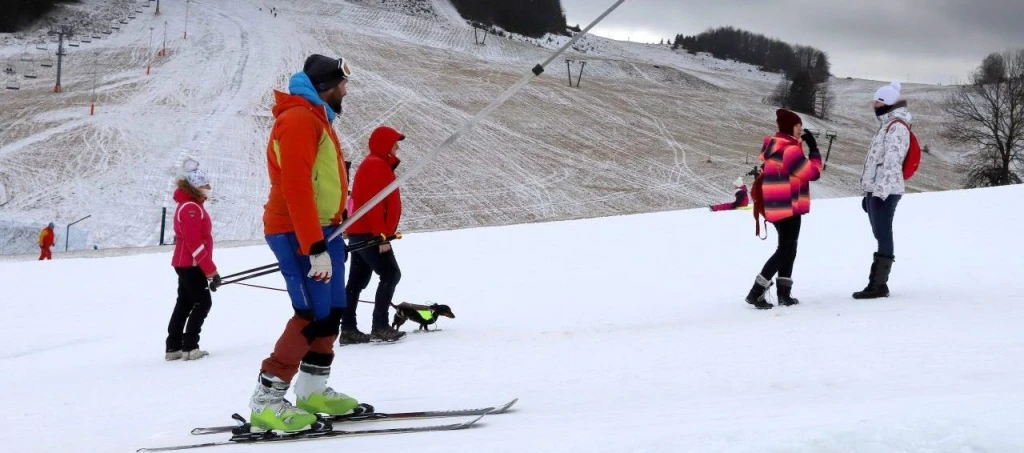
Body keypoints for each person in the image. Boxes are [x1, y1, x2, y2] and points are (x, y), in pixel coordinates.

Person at [249, 53, 360, 433]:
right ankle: (266, 401)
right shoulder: (298, 119)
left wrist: (335, 225)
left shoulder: (317, 118)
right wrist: (314, 246)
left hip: (324, 229)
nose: (346, 89)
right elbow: (296, 186)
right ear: (326, 86)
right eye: (342, 83)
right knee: (310, 313)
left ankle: (312, 391)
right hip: (296, 231)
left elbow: (320, 181)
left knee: (332, 311)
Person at [745, 109, 822, 309]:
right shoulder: (789, 150)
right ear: (789, 127)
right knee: (786, 250)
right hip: (788, 205)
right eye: (798, 125)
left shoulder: (776, 145)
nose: (801, 129)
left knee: (789, 249)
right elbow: (813, 173)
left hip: (776, 204)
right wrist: (814, 149)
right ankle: (756, 292)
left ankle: (784, 295)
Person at [339, 126, 407, 344]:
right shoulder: (376, 166)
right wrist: (381, 236)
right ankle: (380, 326)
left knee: (357, 281)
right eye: (394, 142)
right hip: (370, 232)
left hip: (362, 231)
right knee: (390, 274)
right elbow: (373, 204)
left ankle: (348, 329)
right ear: (384, 145)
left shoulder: (376, 165)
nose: (397, 147)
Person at [853, 82, 911, 299]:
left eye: (877, 101)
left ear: (886, 103)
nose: (874, 105)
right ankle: (878, 284)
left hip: (885, 191)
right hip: (875, 190)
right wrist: (867, 192)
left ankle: (878, 285)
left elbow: (892, 163)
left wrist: (880, 192)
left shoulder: (897, 127)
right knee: (879, 232)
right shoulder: (886, 125)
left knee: (883, 233)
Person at [167, 159, 220, 361]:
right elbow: (194, 243)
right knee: (202, 302)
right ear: (196, 187)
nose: (209, 188)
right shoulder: (191, 208)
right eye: (205, 185)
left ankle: (173, 347)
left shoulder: (190, 205)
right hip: (191, 265)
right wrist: (210, 270)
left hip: (186, 264)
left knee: (184, 303)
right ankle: (190, 346)